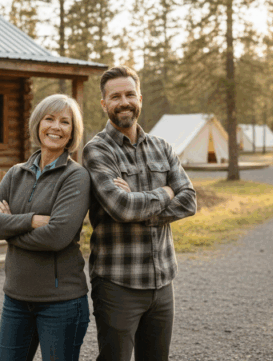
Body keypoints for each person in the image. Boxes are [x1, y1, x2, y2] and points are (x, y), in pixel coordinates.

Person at [82, 66, 197, 361]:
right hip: (117, 283)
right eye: (115, 96)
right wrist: (167, 192)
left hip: (163, 281)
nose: (124, 101)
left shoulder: (163, 147)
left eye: (130, 94)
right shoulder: (97, 151)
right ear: (104, 104)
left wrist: (138, 201)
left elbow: (190, 200)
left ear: (140, 98)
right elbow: (121, 207)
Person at [0, 93, 91, 361]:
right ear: (37, 124)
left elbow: (56, 237)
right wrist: (30, 221)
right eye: (49, 119)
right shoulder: (16, 173)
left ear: (72, 132)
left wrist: (8, 230)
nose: (55, 127)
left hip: (62, 303)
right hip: (16, 300)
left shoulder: (76, 176)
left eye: (65, 122)